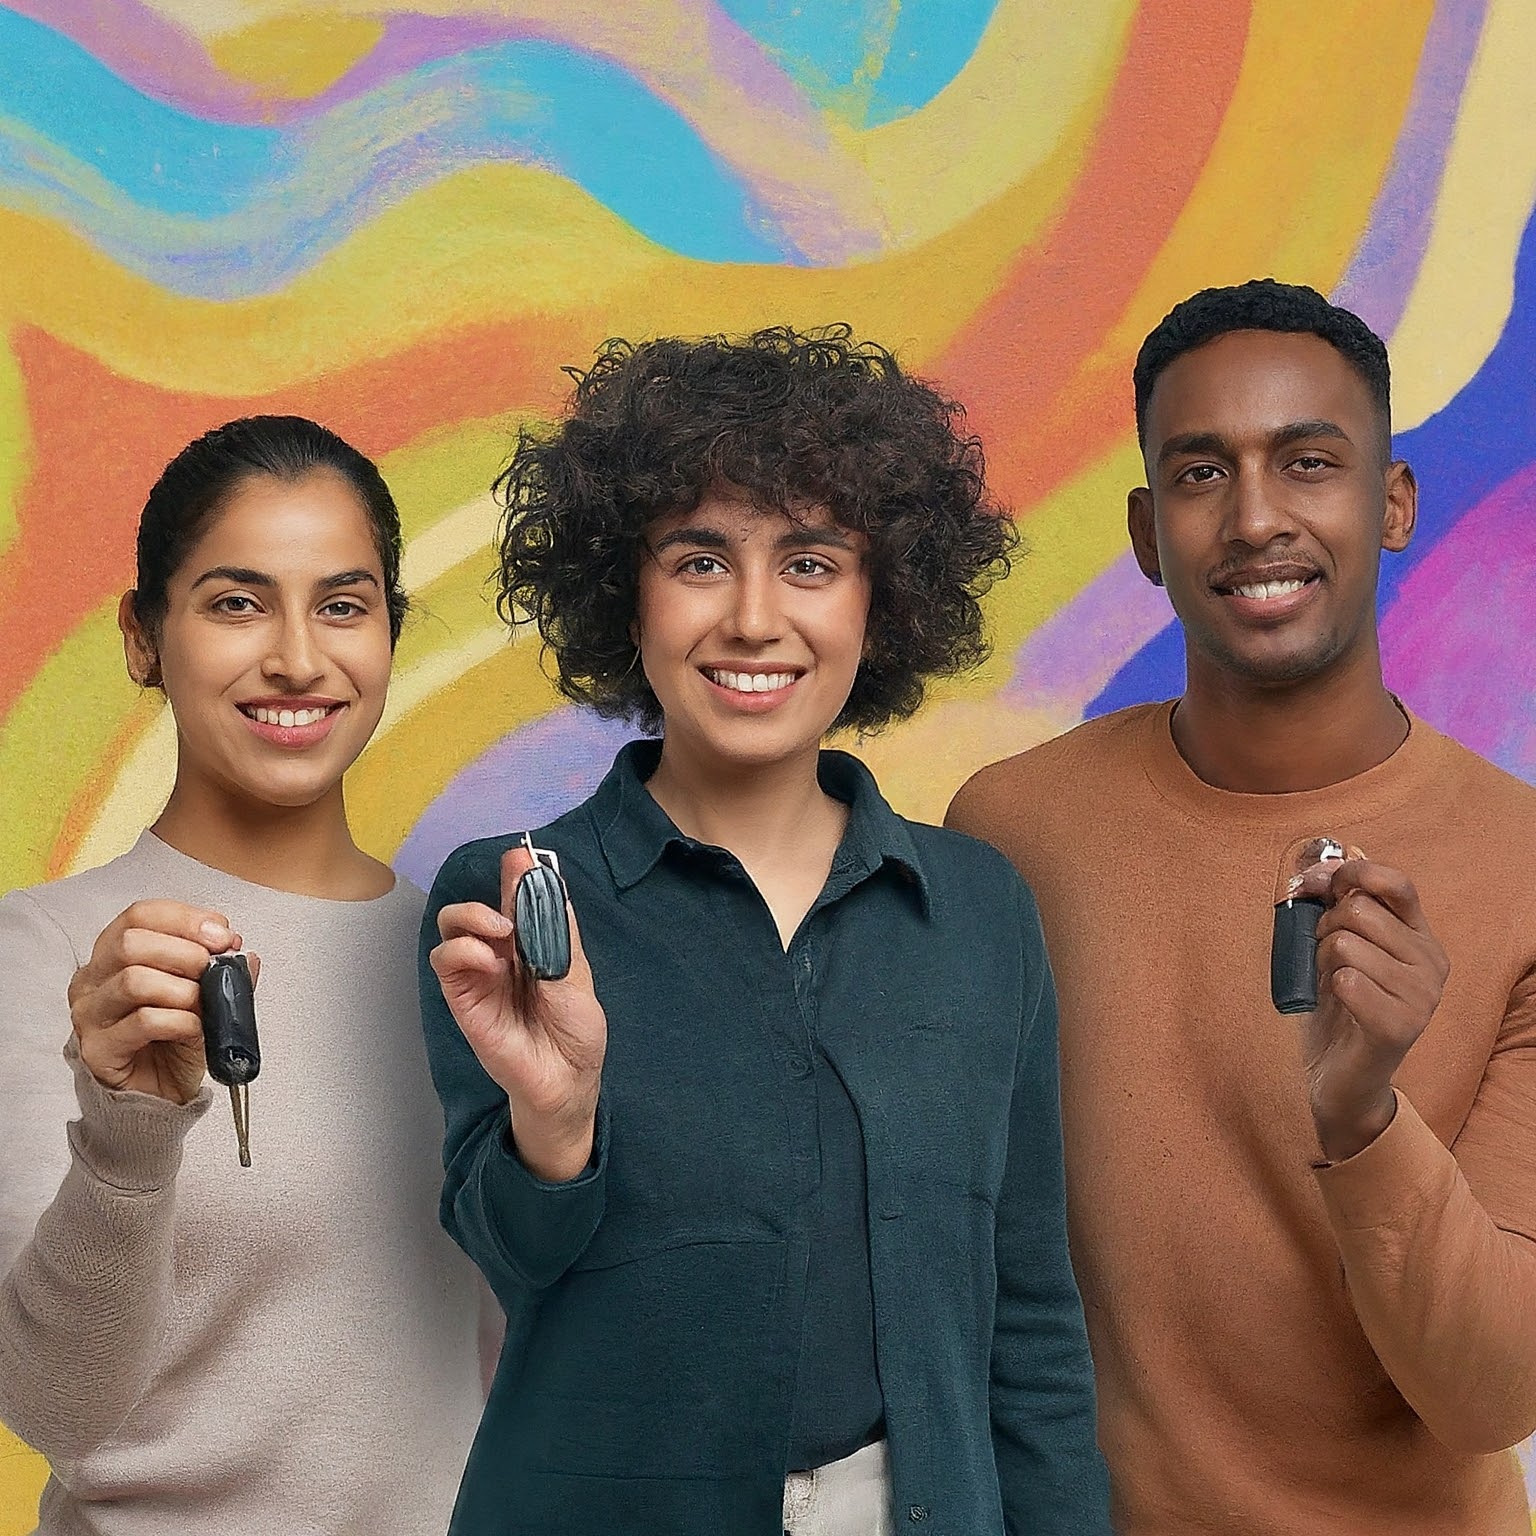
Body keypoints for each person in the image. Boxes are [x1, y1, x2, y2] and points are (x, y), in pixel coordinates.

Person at [419, 325, 1111, 1536]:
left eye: (808, 562)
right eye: (699, 560)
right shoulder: (517, 897)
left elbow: (1031, 1324)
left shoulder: (981, 911)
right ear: (621, 593)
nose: (752, 619)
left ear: (879, 599)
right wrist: (557, 1120)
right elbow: (509, 1264)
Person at [947, 279, 1536, 1534]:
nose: (1257, 517)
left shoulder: (1528, 867)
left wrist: (1361, 1111)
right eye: (1202, 473)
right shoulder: (1010, 831)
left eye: (1309, 462)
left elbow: (1493, 1393)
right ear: (1148, 530)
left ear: (1392, 503)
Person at [0, 417, 484, 1534]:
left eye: (344, 605)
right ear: (142, 635)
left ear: (390, 636)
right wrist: (127, 1132)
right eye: (236, 602)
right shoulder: (44, 961)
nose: (299, 658)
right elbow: (54, 1407)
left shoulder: (467, 961)